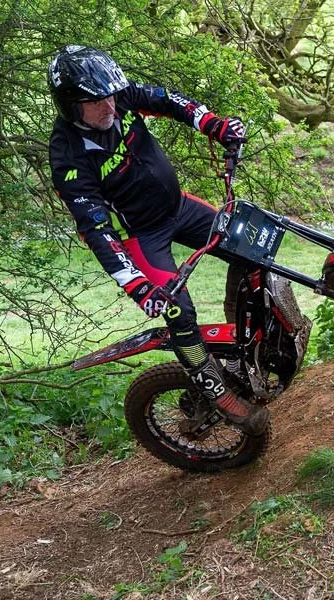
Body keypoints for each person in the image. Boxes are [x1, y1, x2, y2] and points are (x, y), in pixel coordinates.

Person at [47, 44, 268, 435]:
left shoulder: (119, 94)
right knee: (177, 309)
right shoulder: (69, 158)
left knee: (250, 248)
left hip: (179, 207)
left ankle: (243, 354)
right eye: (96, 103)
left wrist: (214, 125)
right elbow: (97, 231)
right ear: (70, 105)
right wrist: (138, 286)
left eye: (112, 97)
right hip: (142, 237)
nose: (111, 107)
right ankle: (217, 392)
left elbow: (170, 101)